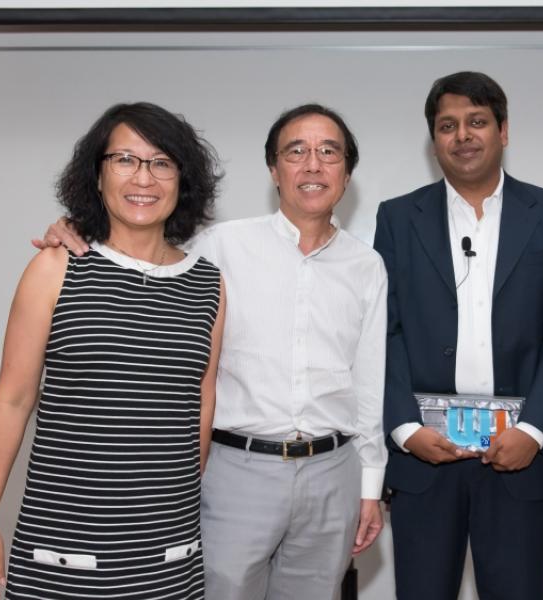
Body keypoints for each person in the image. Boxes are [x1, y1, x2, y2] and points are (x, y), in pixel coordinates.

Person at [34, 103, 387, 600]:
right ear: (273, 169)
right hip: (237, 471)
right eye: (296, 152)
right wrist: (75, 230)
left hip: (333, 474)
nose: (312, 165)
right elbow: (138, 250)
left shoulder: (366, 265)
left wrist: (370, 487)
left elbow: (371, 382)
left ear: (346, 172)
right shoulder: (217, 247)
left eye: (328, 152)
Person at [0, 102, 226, 600]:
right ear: (98, 174)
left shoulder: (208, 284)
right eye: (124, 159)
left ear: (182, 180)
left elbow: (202, 401)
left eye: (162, 162)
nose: (143, 178)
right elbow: (14, 398)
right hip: (64, 546)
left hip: (168, 551)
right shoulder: (57, 267)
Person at [373, 71, 543, 600]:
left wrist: (535, 431)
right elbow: (384, 331)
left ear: (503, 131)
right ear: (434, 140)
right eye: (448, 125)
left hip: (519, 455)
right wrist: (403, 427)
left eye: (476, 122)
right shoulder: (397, 217)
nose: (462, 135)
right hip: (425, 454)